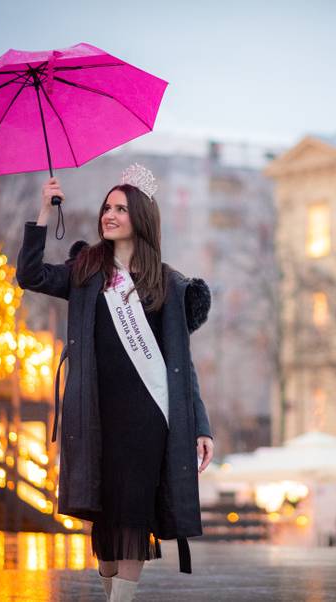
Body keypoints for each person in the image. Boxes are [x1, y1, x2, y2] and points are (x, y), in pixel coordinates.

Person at [16, 166, 215, 602]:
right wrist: (42, 214)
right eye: (107, 207)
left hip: (147, 420)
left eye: (120, 209)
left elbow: (182, 365)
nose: (110, 215)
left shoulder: (168, 284)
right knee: (104, 518)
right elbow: (29, 276)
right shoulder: (86, 271)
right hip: (96, 415)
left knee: (131, 513)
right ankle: (113, 596)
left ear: (140, 217)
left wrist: (200, 425)